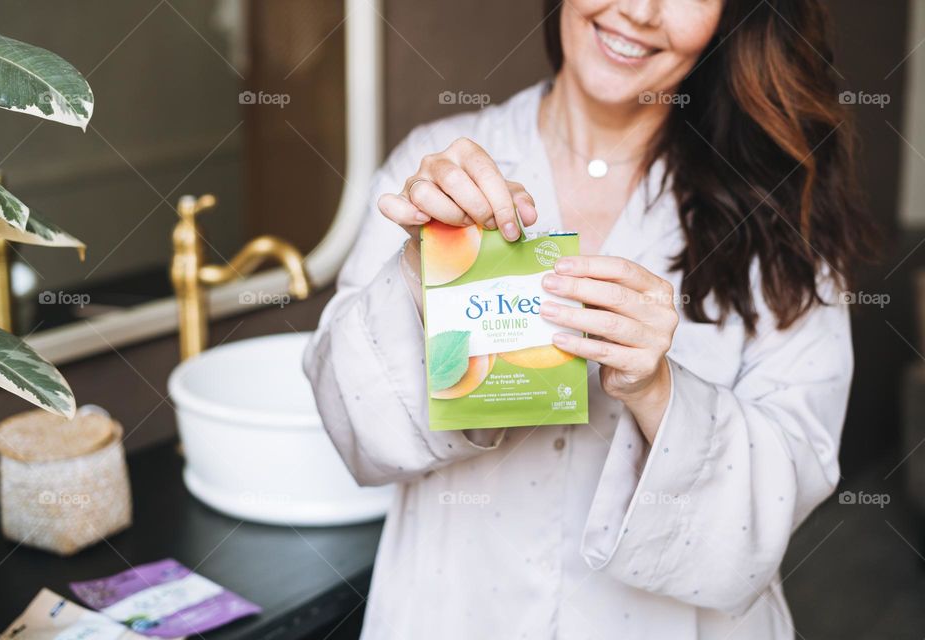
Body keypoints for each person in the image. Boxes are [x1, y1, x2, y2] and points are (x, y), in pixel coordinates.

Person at [303, 0, 875, 637]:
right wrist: (421, 275)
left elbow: (794, 475)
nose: (637, 10)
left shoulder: (783, 213)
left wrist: (660, 392)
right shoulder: (438, 164)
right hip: (457, 608)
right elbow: (351, 430)